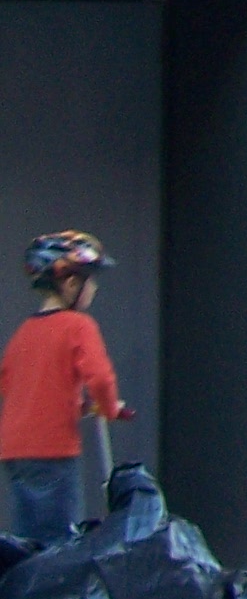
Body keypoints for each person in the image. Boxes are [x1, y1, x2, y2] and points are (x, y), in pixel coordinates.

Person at [1, 232, 129, 542]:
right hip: (52, 449)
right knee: (58, 542)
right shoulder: (78, 325)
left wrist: (77, 405)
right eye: (90, 280)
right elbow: (100, 378)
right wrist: (110, 408)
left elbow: (11, 383)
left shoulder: (25, 331)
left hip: (15, 453)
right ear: (71, 283)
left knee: (28, 541)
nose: (94, 288)